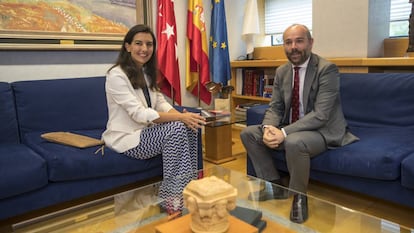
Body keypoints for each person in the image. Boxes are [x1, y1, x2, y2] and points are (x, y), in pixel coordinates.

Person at [240, 24, 358, 224]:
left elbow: (321, 115)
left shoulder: (326, 69)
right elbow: (276, 107)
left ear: (310, 43)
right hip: (292, 125)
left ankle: (299, 196)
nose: (293, 47)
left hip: (322, 129)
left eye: (299, 41)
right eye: (288, 42)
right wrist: (269, 128)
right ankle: (274, 186)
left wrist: (283, 132)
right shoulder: (282, 71)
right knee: (249, 133)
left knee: (294, 142)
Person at [102, 24, 206, 217]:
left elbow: (159, 101)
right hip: (127, 139)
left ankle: (191, 188)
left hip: (148, 133)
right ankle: (172, 200)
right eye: (138, 43)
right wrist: (180, 117)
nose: (144, 49)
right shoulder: (116, 75)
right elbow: (139, 114)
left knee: (190, 126)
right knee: (176, 127)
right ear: (127, 46)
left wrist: (181, 116)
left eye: (149, 44)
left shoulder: (146, 72)